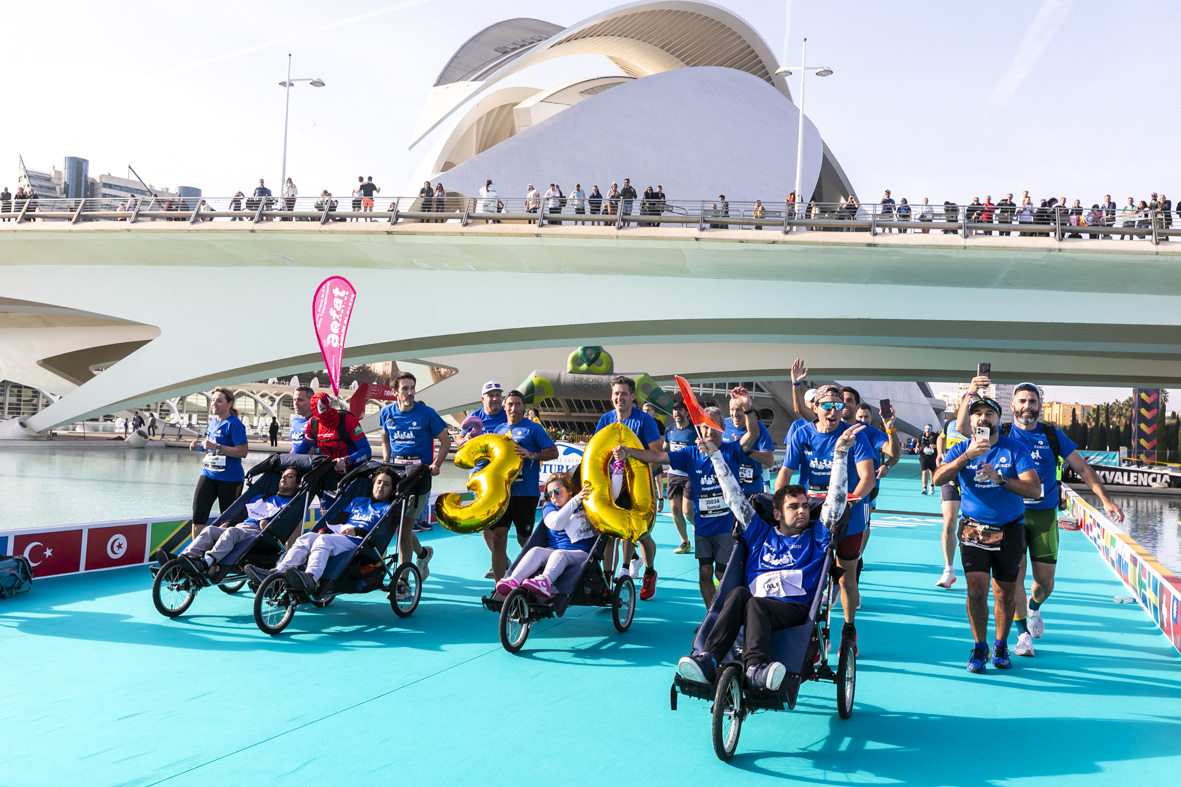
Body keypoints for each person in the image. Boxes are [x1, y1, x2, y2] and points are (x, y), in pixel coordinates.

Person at [677, 424, 856, 691]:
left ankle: (756, 667)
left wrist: (840, 453)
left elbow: (836, 499)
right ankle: (707, 659)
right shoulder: (760, 533)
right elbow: (733, 496)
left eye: (805, 507)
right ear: (777, 514)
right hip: (755, 603)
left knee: (755, 604)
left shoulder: (816, 537)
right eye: (793, 507)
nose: (802, 512)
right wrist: (716, 455)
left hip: (792, 609)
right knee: (738, 594)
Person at [957, 378, 1124, 657]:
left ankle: (1033, 610)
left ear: (1039, 407)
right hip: (1012, 517)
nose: (1027, 406)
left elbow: (1083, 468)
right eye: (1021, 402)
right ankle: (1022, 634)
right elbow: (964, 428)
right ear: (1012, 406)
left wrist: (1105, 500)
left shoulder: (1052, 436)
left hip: (1044, 514)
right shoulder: (1001, 432)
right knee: (1015, 577)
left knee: (1045, 581)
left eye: (1032, 402)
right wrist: (971, 393)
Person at [933, 395, 1041, 673]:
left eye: (989, 413)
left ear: (998, 419)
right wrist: (966, 457)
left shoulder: (1014, 449)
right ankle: (979, 647)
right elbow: (937, 478)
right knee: (977, 591)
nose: (983, 418)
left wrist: (1001, 479)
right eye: (977, 413)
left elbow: (1034, 489)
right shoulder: (960, 449)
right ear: (970, 422)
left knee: (1004, 594)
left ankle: (1001, 645)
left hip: (1010, 530)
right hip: (974, 529)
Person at [618, 405, 759, 608]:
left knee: (721, 573)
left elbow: (753, 433)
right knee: (704, 573)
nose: (709, 431)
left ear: (722, 427)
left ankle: (729, 614)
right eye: (705, 427)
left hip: (727, 526)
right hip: (702, 527)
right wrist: (629, 451)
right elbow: (659, 457)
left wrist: (747, 408)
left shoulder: (732, 451)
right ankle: (711, 617)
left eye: (713, 426)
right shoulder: (691, 454)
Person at [776, 383, 874, 649]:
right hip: (811, 515)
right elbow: (785, 473)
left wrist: (849, 503)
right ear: (815, 408)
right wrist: (780, 502)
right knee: (807, 573)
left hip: (848, 517)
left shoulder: (855, 435)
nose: (834, 411)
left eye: (838, 406)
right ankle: (810, 630)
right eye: (828, 406)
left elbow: (867, 478)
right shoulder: (802, 434)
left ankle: (848, 629)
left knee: (846, 577)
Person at [248, 467, 398, 591]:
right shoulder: (358, 501)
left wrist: (357, 531)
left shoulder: (387, 508)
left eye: (386, 484)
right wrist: (325, 529)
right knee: (307, 537)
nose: (381, 486)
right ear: (373, 484)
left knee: (324, 541)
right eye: (379, 482)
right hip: (340, 536)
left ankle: (311, 577)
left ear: (392, 491)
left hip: (360, 542)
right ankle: (277, 572)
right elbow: (339, 519)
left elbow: (381, 532)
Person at [593, 376, 662, 599]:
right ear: (611, 397)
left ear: (632, 397)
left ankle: (650, 571)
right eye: (616, 394)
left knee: (639, 534)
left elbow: (657, 455)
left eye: (624, 393)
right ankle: (608, 579)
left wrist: (631, 458)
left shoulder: (644, 421)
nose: (619, 397)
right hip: (612, 483)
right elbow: (596, 453)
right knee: (610, 530)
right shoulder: (605, 419)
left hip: (638, 486)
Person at [169, 465, 302, 580]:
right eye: (283, 475)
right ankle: (183, 560)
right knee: (209, 530)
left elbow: (284, 527)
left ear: (297, 484)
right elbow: (243, 514)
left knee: (232, 532)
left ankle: (207, 562)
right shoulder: (261, 498)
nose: (283, 478)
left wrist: (267, 526)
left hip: (258, 534)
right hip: (241, 527)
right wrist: (227, 523)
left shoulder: (290, 505)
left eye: (289, 476)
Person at [378, 371, 449, 579]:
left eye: (412, 388)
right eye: (405, 389)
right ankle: (423, 553)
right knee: (399, 528)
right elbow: (385, 438)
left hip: (419, 475)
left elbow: (446, 441)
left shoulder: (427, 413)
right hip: (396, 473)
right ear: (395, 392)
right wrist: (386, 461)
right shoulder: (387, 412)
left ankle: (403, 580)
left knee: (404, 528)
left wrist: (436, 464)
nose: (410, 393)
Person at [486, 390, 558, 580]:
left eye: (518, 404)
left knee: (524, 539)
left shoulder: (533, 429)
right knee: (499, 537)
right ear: (504, 406)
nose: (513, 408)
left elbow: (553, 452)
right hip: (503, 493)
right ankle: (499, 586)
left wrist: (531, 454)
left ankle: (537, 578)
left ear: (523, 407)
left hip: (525, 492)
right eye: (510, 404)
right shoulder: (498, 430)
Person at [495, 472, 598, 598]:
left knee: (559, 554)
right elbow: (555, 524)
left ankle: (545, 581)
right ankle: (513, 580)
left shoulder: (585, 505)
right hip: (555, 550)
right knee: (536, 550)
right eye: (549, 493)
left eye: (557, 491)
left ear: (570, 490)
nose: (553, 496)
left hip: (581, 553)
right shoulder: (549, 506)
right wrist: (575, 501)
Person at [188, 387, 250, 539]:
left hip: (230, 479)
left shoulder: (234, 424)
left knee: (229, 520)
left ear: (230, 403)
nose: (214, 403)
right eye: (213, 400)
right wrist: (200, 447)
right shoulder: (212, 423)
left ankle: (225, 556)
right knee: (198, 515)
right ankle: (195, 554)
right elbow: (211, 449)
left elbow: (243, 452)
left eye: (219, 401)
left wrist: (216, 446)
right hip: (208, 474)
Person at [293, 392, 372, 477]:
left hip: (354, 472)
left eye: (330, 406)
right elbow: (304, 448)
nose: (329, 411)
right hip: (330, 472)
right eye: (323, 409)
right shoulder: (313, 423)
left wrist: (346, 460)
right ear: (315, 411)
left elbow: (367, 451)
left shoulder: (348, 420)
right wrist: (290, 460)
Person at [934, 416, 970, 588]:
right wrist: (940, 452)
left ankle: (974, 569)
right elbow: (941, 437)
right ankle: (949, 570)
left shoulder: (983, 424)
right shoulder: (950, 424)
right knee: (949, 524)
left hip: (973, 477)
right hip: (951, 476)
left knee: (972, 524)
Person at [721, 387, 775, 500]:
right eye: (732, 409)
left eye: (739, 409)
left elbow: (769, 461)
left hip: (752, 489)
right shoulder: (722, 425)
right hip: (727, 488)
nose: (734, 414)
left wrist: (746, 450)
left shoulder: (758, 428)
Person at [663, 401, 696, 554]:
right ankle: (685, 542)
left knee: (688, 510)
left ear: (686, 412)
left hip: (690, 475)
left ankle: (700, 528)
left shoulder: (693, 430)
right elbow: (665, 448)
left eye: (680, 410)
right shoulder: (669, 430)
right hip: (673, 474)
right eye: (675, 410)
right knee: (675, 509)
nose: (677, 413)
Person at [460, 380, 507, 446]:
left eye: (498, 395)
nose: (495, 398)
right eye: (491, 395)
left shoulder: (508, 414)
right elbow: (459, 438)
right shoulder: (474, 416)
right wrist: (465, 440)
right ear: (483, 399)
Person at [642, 401, 667, 511]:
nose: (646, 412)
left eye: (648, 410)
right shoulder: (640, 422)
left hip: (655, 453)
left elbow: (665, 437)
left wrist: (654, 439)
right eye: (644, 410)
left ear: (653, 412)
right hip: (642, 453)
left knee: (658, 478)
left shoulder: (658, 423)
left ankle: (660, 498)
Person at [288, 386, 314, 454]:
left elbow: (313, 450)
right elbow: (294, 447)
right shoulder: (295, 420)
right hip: (295, 461)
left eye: (300, 400)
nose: (296, 403)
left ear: (311, 401)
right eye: (294, 400)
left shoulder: (316, 421)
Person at [917, 424, 939, 494]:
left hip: (932, 456)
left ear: (931, 429)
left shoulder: (935, 436)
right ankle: (924, 488)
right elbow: (918, 443)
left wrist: (935, 446)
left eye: (929, 428)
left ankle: (931, 486)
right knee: (924, 471)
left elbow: (940, 444)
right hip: (924, 456)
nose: (928, 430)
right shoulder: (921, 436)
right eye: (926, 428)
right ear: (924, 429)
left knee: (932, 472)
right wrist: (916, 447)